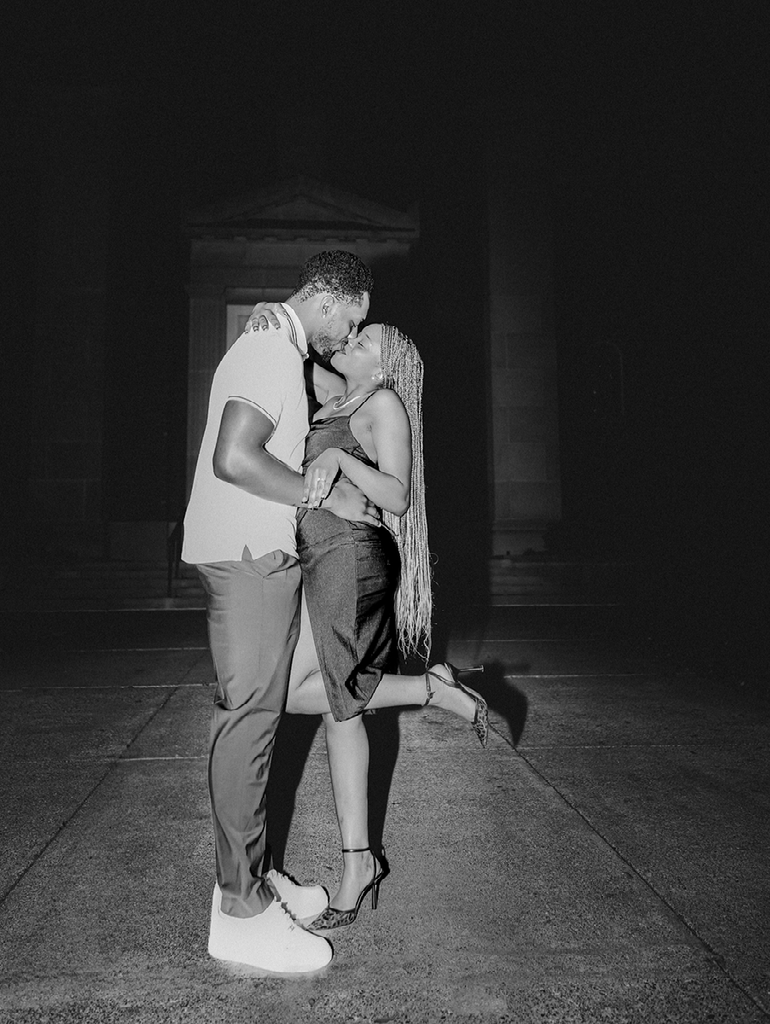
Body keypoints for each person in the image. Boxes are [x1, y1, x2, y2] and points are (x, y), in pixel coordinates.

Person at [244, 310, 488, 931]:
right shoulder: (337, 397)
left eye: (365, 339)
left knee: (298, 692)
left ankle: (431, 690)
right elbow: (297, 355)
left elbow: (400, 495)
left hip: (352, 554)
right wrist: (267, 323)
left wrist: (341, 466)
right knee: (335, 704)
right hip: (320, 555)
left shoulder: (384, 405)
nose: (351, 339)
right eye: (354, 331)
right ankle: (359, 863)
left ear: (386, 365)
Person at [181, 251, 377, 974]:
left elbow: (330, 384)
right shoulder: (268, 348)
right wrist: (319, 494)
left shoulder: (277, 347)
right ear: (330, 297)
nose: (345, 334)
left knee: (254, 717)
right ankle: (239, 912)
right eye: (349, 318)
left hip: (248, 550)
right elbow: (234, 458)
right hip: (250, 556)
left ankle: (253, 878)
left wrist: (288, 336)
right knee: (249, 725)